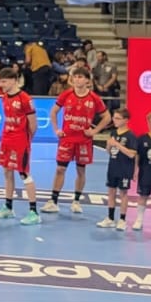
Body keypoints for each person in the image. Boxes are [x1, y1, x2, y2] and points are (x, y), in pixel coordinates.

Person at [44, 66, 109, 215]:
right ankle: (53, 201)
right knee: (60, 169)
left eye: (81, 77)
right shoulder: (66, 94)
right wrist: (56, 130)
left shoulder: (94, 98)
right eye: (75, 77)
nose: (77, 79)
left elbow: (107, 117)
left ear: (87, 80)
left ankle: (76, 201)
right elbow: (53, 111)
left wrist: (94, 131)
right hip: (66, 139)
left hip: (83, 141)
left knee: (81, 171)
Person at [0, 67, 40, 224]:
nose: (1, 85)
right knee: (7, 172)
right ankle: (8, 207)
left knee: (24, 174)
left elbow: (33, 124)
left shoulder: (25, 99)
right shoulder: (4, 97)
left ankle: (34, 212)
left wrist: (26, 141)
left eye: (4, 81)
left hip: (20, 141)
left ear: (13, 80)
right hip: (7, 139)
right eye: (0, 82)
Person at [100, 107, 137, 230]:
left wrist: (117, 144)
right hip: (113, 167)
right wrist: (109, 146)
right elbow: (109, 152)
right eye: (114, 118)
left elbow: (132, 154)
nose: (114, 121)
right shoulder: (113, 133)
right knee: (111, 192)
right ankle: (110, 218)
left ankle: (122, 219)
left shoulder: (130, 136)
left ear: (126, 120)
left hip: (125, 168)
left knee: (123, 193)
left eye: (118, 118)